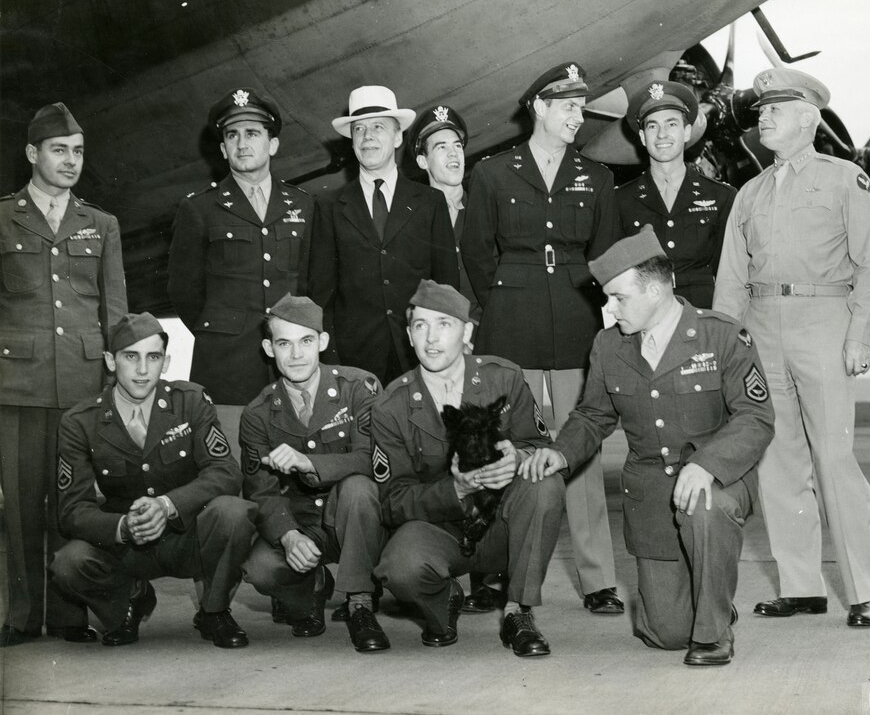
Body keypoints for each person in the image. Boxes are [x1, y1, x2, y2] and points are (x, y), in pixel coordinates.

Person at [522, 227, 774, 666]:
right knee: (667, 634)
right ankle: (706, 601)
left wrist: (707, 466)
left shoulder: (722, 337)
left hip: (716, 483)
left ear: (656, 290)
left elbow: (756, 418)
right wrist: (561, 452)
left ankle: (715, 633)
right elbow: (593, 415)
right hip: (652, 497)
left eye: (619, 297)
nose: (609, 307)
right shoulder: (608, 345)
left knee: (706, 507)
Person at [712, 67, 870, 628]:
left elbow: (869, 265)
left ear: (809, 118)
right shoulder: (749, 192)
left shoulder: (844, 180)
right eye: (762, 109)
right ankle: (802, 586)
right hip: (762, 327)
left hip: (824, 323)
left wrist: (860, 336)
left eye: (777, 108)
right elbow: (732, 279)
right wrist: (725, 348)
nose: (763, 116)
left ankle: (864, 592)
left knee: (834, 459)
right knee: (778, 461)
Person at [461, 62, 623, 614]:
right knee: (496, 448)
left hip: (576, 324)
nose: (579, 117)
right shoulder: (493, 173)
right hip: (509, 325)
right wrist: (506, 299)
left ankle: (598, 578)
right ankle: (487, 571)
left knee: (579, 449)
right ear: (539, 108)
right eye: (569, 107)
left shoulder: (596, 178)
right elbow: (477, 255)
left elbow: (603, 258)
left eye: (582, 107)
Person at [372, 280, 565, 657]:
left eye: (444, 324)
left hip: (503, 528)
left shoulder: (502, 378)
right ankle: (443, 599)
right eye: (420, 326)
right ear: (409, 336)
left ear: (467, 331)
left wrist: (518, 459)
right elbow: (391, 501)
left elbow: (543, 448)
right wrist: (455, 490)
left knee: (546, 483)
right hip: (440, 531)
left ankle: (518, 611)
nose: (431, 338)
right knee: (399, 567)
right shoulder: (390, 406)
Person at [0, 103, 127, 648]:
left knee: (72, 502)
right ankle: (24, 618)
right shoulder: (2, 217)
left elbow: (115, 314)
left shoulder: (100, 224)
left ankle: (71, 615)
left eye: (77, 151)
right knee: (23, 503)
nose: (71, 161)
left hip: (80, 385)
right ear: (32, 154)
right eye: (59, 150)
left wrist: (117, 385)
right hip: (19, 385)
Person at [50, 313, 255, 648]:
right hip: (127, 545)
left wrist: (167, 505)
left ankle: (214, 611)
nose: (143, 370)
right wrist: (123, 527)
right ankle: (129, 599)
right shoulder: (80, 422)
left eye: (153, 357)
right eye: (131, 356)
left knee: (233, 513)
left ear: (166, 361)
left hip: (185, 534)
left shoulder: (190, 401)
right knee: (68, 564)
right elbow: (72, 510)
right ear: (110, 361)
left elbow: (226, 472)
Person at [239, 294, 388, 651]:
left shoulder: (359, 389)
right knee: (259, 567)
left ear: (322, 342)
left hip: (358, 517)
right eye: (283, 343)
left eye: (306, 341)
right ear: (268, 348)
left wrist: (311, 464)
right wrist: (289, 536)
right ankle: (312, 586)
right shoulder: (257, 414)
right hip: (304, 524)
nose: (296, 354)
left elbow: (376, 460)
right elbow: (261, 491)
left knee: (357, 487)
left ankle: (361, 603)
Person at [167, 87, 314, 436]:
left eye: (252, 134)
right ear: (222, 149)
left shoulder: (306, 206)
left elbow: (313, 282)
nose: (242, 143)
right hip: (227, 366)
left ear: (272, 144)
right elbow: (184, 291)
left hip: (293, 366)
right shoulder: (199, 209)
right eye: (232, 135)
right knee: (229, 469)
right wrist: (222, 329)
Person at [309, 86, 458, 386]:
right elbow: (320, 296)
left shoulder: (430, 202)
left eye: (378, 127)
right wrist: (334, 365)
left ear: (398, 136)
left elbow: (446, 288)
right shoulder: (328, 206)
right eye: (359, 129)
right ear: (351, 141)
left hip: (422, 357)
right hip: (355, 364)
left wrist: (444, 353)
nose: (368, 137)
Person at [616, 81, 735, 308]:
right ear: (642, 137)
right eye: (652, 126)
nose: (662, 135)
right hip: (645, 316)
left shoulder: (722, 197)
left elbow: (730, 276)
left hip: (702, 317)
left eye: (671, 124)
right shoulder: (620, 199)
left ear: (687, 131)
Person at [410, 104, 478, 314]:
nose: (453, 154)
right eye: (441, 147)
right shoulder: (410, 221)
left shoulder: (487, 209)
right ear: (423, 161)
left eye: (457, 146)